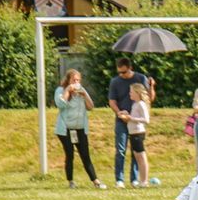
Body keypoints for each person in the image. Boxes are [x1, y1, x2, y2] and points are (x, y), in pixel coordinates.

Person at [52, 68, 105, 189]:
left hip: (80, 128)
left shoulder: (81, 90)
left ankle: (95, 181)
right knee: (70, 154)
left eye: (78, 80)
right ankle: (71, 181)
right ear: (68, 80)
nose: (76, 83)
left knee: (85, 155)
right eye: (73, 80)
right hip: (65, 129)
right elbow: (60, 104)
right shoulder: (60, 90)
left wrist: (84, 95)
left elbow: (91, 107)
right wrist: (67, 90)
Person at [107, 59, 151, 188]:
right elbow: (112, 101)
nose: (122, 75)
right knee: (120, 149)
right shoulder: (115, 82)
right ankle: (119, 179)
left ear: (130, 68)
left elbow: (149, 98)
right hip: (122, 120)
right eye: (119, 72)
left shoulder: (140, 78)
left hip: (135, 125)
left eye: (124, 72)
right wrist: (120, 113)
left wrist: (152, 86)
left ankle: (135, 179)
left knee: (136, 152)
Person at [124, 81, 153, 188]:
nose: (130, 94)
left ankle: (144, 181)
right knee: (137, 157)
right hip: (132, 133)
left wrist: (131, 118)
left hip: (138, 133)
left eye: (131, 92)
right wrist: (126, 115)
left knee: (141, 157)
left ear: (137, 93)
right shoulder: (135, 104)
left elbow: (146, 119)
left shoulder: (141, 104)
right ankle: (142, 180)